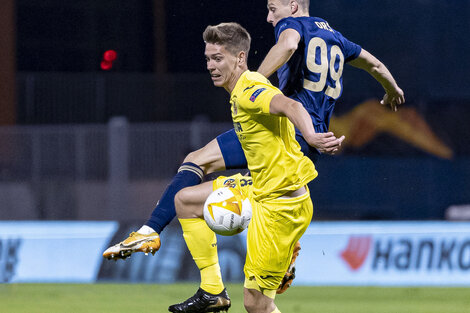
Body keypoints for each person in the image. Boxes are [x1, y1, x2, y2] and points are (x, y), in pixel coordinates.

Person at [104, 0, 404, 302]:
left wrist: (252, 80)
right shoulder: (336, 38)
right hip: (301, 134)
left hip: (291, 130)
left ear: (294, 7)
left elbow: (287, 46)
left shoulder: (293, 25)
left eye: (274, 9)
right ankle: (177, 251)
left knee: (229, 178)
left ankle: (156, 232)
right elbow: (375, 65)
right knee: (201, 167)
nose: (269, 17)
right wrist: (391, 89)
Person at [170, 21, 319, 313]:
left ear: (239, 58)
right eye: (208, 59)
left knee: (256, 303)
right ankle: (213, 292)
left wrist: (312, 136)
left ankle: (283, 252)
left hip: (280, 207)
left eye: (218, 58)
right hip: (261, 191)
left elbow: (290, 106)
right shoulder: (241, 90)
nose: (211, 66)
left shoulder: (248, 90)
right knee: (186, 200)